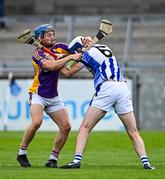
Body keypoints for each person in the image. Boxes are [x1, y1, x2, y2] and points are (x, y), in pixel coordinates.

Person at [60, 36, 155, 170]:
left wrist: (63, 60)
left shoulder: (86, 54)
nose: (87, 37)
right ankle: (146, 163)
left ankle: (76, 160)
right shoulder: (103, 47)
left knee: (85, 127)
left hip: (107, 87)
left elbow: (67, 71)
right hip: (122, 87)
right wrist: (77, 55)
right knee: (133, 131)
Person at [16, 24, 83, 168]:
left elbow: (75, 47)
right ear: (40, 38)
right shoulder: (37, 54)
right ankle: (21, 152)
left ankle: (53, 158)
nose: (52, 37)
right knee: (36, 122)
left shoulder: (59, 46)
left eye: (53, 34)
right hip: (38, 93)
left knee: (66, 126)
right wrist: (70, 57)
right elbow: (52, 66)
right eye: (48, 35)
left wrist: (85, 41)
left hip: (53, 96)